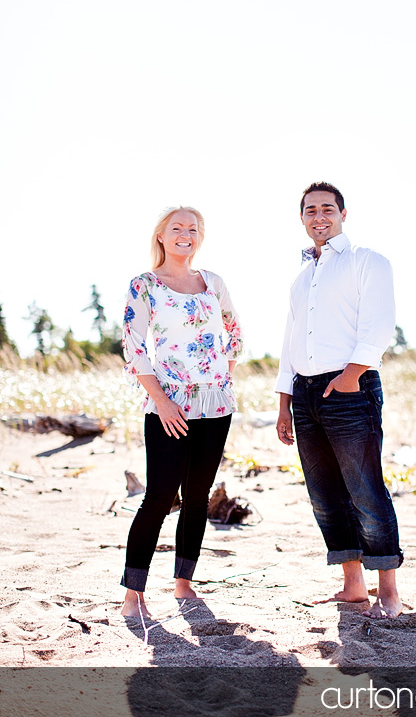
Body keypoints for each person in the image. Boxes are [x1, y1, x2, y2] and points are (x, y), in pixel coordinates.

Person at [275, 182, 403, 619]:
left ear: (343, 214)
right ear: (302, 218)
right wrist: (284, 400)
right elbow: (290, 340)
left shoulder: (367, 261)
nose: (319, 217)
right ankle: (353, 586)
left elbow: (380, 324)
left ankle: (388, 588)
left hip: (350, 386)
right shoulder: (300, 276)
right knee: (324, 494)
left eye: (327, 209)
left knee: (365, 488)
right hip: (305, 393)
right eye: (310, 210)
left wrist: (351, 377)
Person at [120, 206, 243, 616]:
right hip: (168, 403)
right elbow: (134, 347)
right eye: (177, 228)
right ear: (161, 236)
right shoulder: (145, 285)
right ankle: (133, 594)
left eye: (193, 229)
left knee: (196, 496)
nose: (185, 235)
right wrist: (162, 399)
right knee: (158, 495)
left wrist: (220, 373)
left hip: (215, 403)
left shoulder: (213, 283)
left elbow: (234, 331)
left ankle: (183, 583)